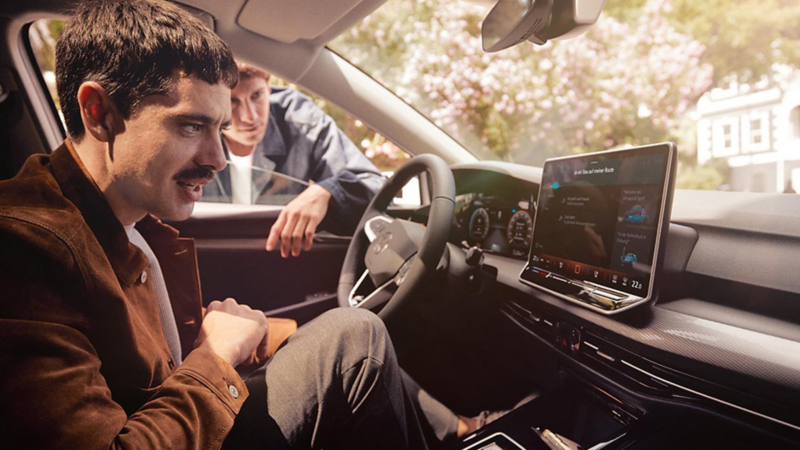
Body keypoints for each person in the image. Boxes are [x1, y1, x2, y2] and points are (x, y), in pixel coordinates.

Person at [0, 1, 469, 448]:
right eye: (190, 126)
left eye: (218, 129)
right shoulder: (21, 248)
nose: (218, 160)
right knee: (355, 338)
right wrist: (216, 356)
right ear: (99, 113)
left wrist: (232, 339)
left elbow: (141, 366)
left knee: (330, 336)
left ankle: (458, 431)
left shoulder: (122, 218)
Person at [202, 64, 385, 258]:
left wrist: (326, 191)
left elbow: (374, 185)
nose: (250, 116)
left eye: (257, 95)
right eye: (232, 101)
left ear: (268, 87)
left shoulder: (301, 120)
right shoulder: (193, 127)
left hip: (284, 258)